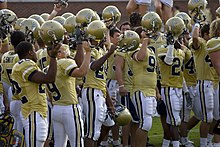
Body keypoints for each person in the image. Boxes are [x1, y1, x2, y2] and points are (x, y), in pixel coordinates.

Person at [11, 41, 61, 147]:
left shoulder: (23, 64)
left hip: (36, 110)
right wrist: (53, 56)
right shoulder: (25, 64)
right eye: (34, 50)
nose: (35, 52)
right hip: (33, 111)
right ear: (30, 52)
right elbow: (50, 78)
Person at [45, 42, 91, 147]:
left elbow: (49, 95)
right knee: (77, 143)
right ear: (59, 53)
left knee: (59, 144)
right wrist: (88, 52)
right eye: (63, 49)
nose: (66, 51)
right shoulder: (64, 62)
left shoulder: (48, 68)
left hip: (56, 108)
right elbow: (81, 72)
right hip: (69, 108)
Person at [189, 22, 216, 147]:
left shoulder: (214, 44)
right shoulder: (201, 44)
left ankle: (209, 140)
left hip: (214, 83)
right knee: (207, 117)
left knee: (215, 116)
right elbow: (194, 39)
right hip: (204, 83)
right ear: (206, 34)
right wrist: (196, 25)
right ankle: (204, 143)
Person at [1, 31, 25, 133]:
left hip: (10, 90)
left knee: (14, 121)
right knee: (20, 123)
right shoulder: (19, 57)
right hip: (19, 92)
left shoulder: (5, 55)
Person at [206, 18, 220, 147]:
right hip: (214, 82)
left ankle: (211, 141)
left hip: (215, 83)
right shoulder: (214, 42)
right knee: (218, 117)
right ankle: (215, 143)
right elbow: (217, 65)